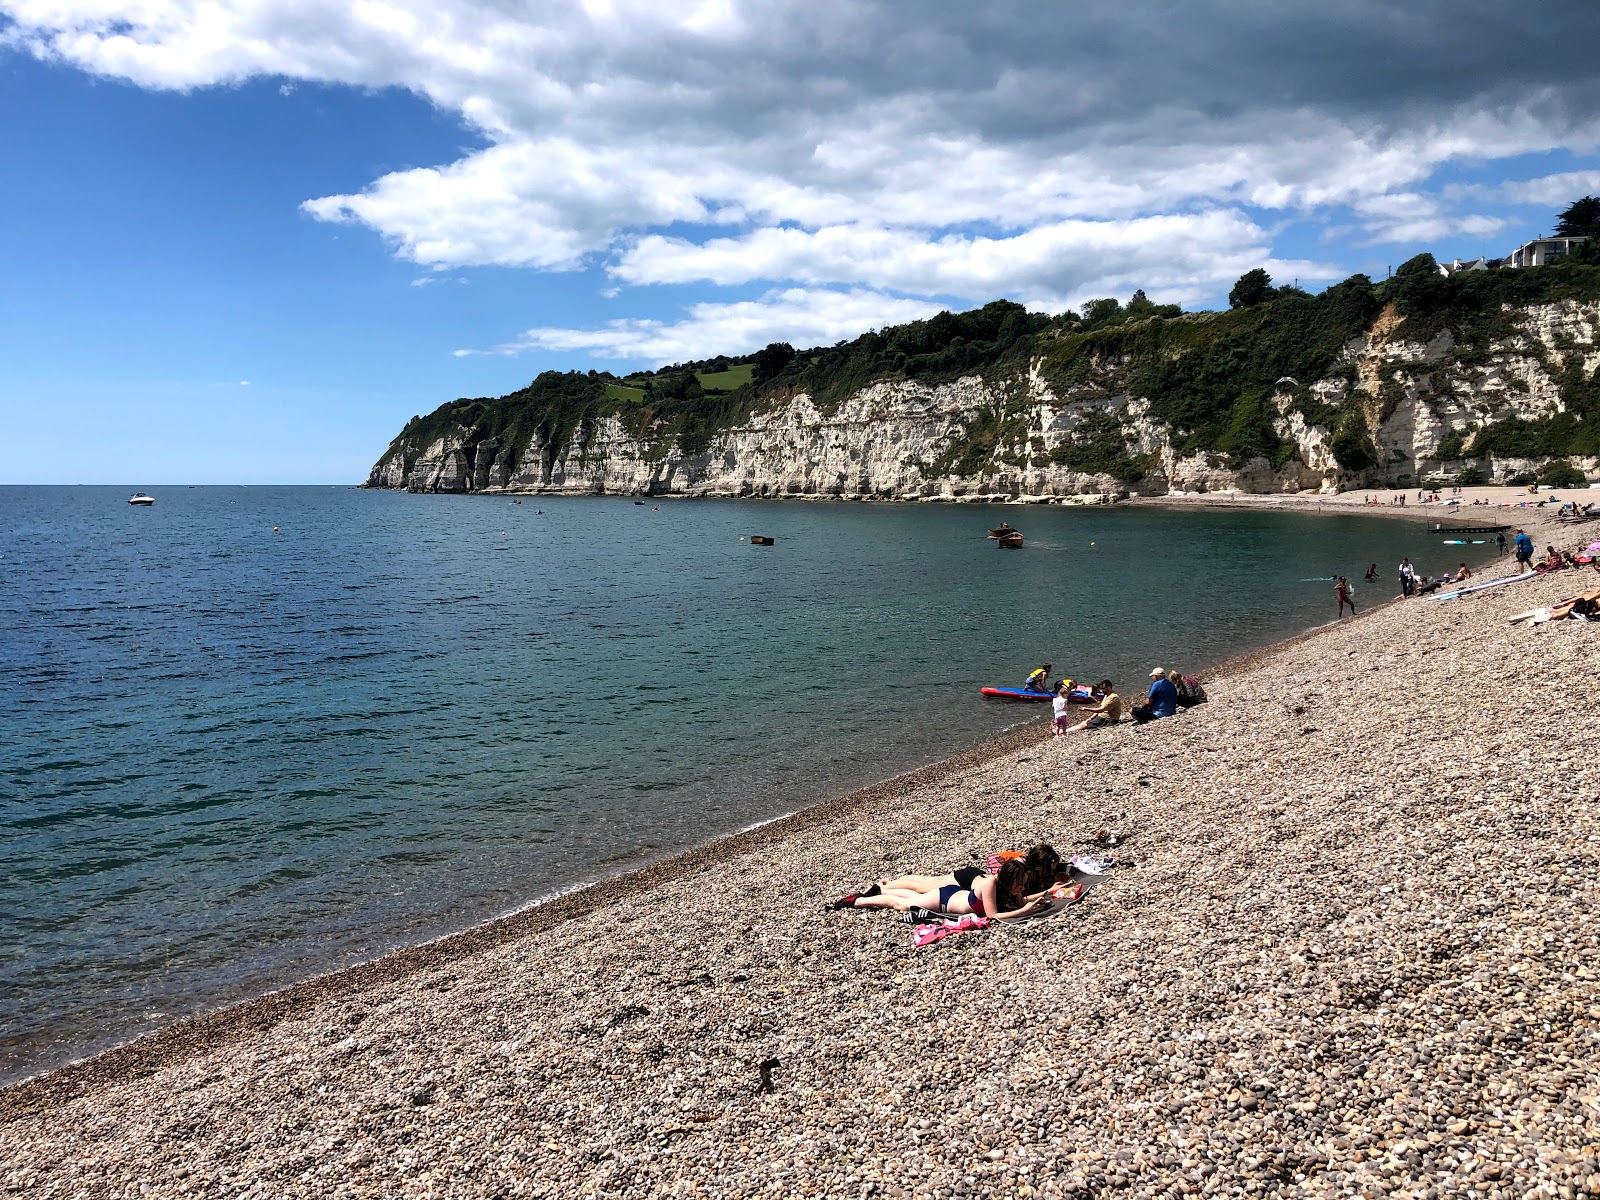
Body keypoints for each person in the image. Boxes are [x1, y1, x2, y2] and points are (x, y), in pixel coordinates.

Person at [833, 858, 1044, 921]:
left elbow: (1021, 901)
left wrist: (1045, 895)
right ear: (1009, 879)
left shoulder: (1009, 887)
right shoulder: (990, 884)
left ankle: (881, 890)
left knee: (915, 896)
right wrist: (1026, 910)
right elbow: (994, 915)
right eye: (1020, 883)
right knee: (902, 905)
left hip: (954, 895)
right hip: (945, 899)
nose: (1022, 887)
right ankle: (857, 901)